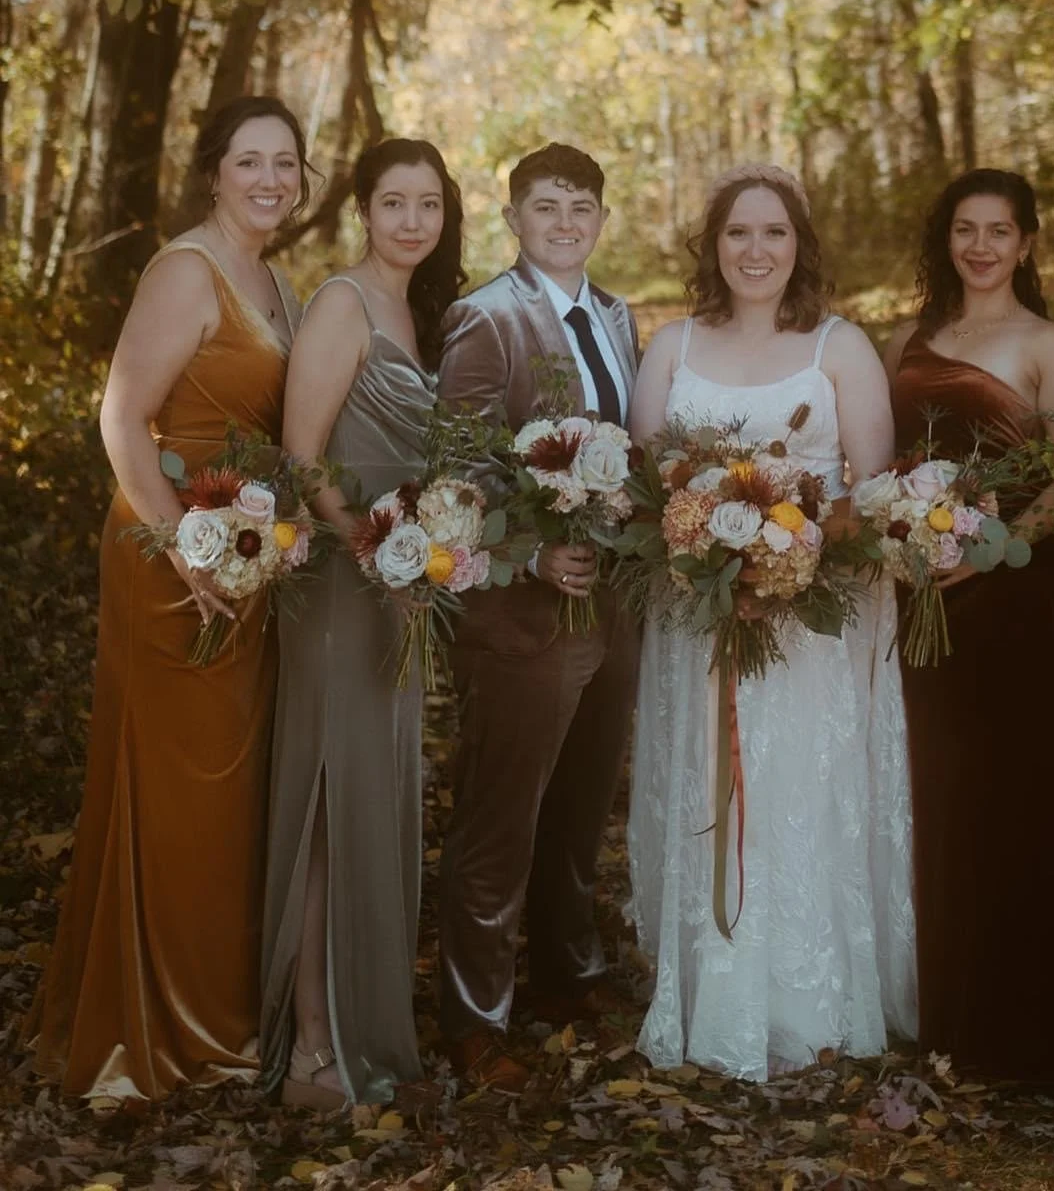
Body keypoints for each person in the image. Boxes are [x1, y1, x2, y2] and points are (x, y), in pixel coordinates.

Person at [24, 97, 308, 1099]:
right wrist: (177, 547)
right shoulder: (187, 269)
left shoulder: (272, 280)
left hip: (241, 553)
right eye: (249, 162)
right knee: (177, 794)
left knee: (229, 801)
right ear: (213, 172)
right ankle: (153, 1036)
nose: (269, 179)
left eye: (285, 163)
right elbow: (122, 416)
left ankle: (217, 1022)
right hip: (168, 556)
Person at [628, 162, 916, 1083]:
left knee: (799, 800)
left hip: (810, 629)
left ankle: (812, 1002)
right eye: (739, 233)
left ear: (801, 245)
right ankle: (715, 996)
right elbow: (645, 490)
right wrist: (707, 549)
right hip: (697, 622)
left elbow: (871, 498)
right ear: (714, 247)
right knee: (711, 796)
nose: (757, 250)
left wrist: (787, 559)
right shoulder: (671, 346)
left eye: (775, 233)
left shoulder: (841, 348)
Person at [883, 169, 1054, 1089]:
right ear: (948, 239)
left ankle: (1026, 1025)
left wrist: (992, 552)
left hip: (1010, 589)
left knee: (1014, 790)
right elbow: (888, 461)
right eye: (965, 229)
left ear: (1027, 243)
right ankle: (947, 1010)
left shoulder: (1049, 343)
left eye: (999, 230)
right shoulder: (909, 338)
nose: (980, 246)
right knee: (937, 793)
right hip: (922, 590)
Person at [259, 138, 463, 1109]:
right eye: (394, 203)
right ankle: (309, 1054)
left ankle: (369, 1035)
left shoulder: (423, 316)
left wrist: (426, 555)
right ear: (364, 210)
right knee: (332, 811)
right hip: (342, 591)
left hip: (400, 588)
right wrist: (372, 551)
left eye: (428, 203)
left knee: (379, 805)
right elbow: (301, 459)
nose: (412, 221)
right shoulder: (342, 303)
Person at [436, 143, 640, 1090]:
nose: (565, 223)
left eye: (582, 207)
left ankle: (570, 972)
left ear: (602, 219)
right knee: (502, 815)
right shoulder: (487, 317)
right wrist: (530, 552)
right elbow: (463, 470)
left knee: (582, 802)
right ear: (513, 218)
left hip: (612, 601)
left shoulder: (616, 314)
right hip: (522, 612)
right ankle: (477, 1017)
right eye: (546, 207)